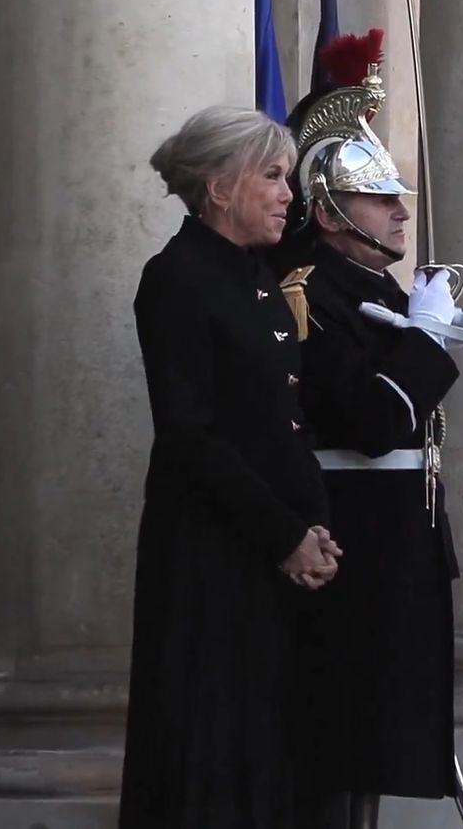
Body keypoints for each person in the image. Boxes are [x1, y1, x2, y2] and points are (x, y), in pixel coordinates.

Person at [277, 30, 463, 829]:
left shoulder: (377, 287)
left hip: (398, 543)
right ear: (328, 209)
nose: (401, 212)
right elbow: (373, 422)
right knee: (336, 748)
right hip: (349, 541)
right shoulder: (307, 291)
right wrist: (425, 341)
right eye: (379, 197)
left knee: (376, 748)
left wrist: (424, 329)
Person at [118, 104, 344, 829]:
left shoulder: (258, 281)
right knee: (206, 751)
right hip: (211, 554)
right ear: (218, 188)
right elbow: (192, 434)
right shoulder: (177, 277)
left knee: (266, 750)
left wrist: (315, 529)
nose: (290, 194)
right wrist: (285, 535)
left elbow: (285, 423)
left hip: (269, 553)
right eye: (273, 176)